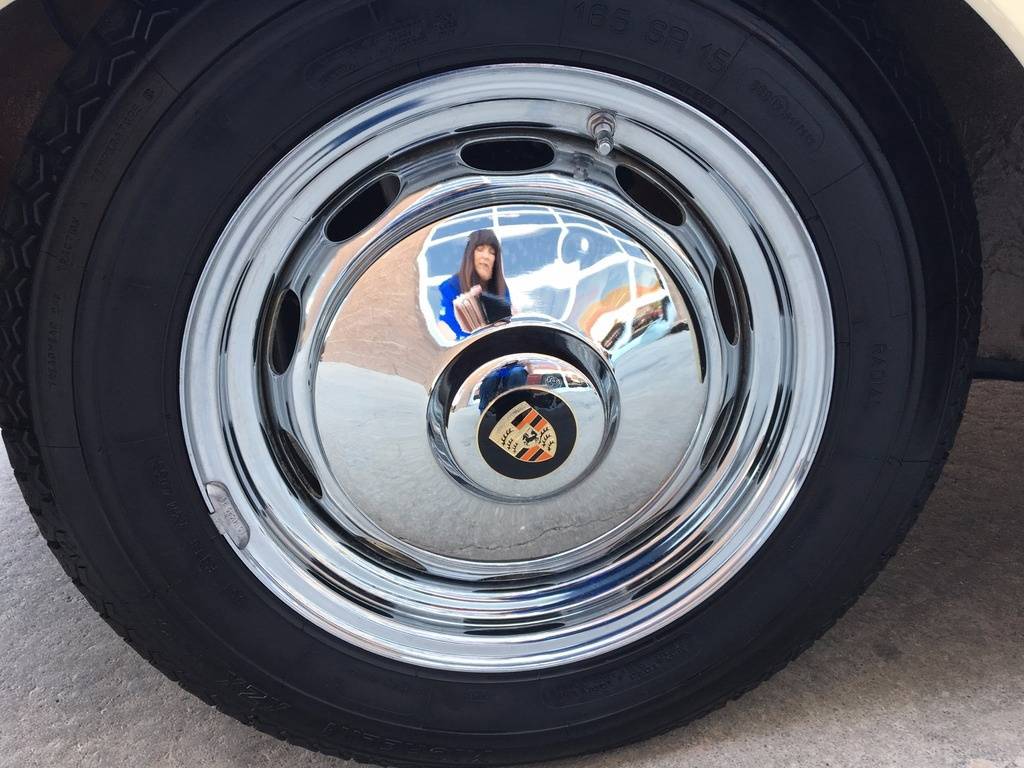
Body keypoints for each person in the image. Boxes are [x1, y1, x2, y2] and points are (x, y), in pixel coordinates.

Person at [438, 228, 510, 340]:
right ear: (469, 254)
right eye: (480, 249)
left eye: (492, 252)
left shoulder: (501, 287)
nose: (486, 256)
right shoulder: (449, 288)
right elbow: (449, 331)